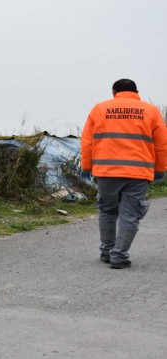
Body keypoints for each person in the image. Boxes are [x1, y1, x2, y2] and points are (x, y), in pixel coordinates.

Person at [80, 79, 167, 269]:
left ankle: (106, 251)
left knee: (107, 211)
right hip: (138, 173)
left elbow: (87, 141)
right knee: (130, 215)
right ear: (137, 91)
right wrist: (160, 169)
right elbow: (161, 145)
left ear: (114, 92)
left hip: (106, 171)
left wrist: (86, 166)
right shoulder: (151, 111)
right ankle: (119, 256)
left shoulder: (99, 109)